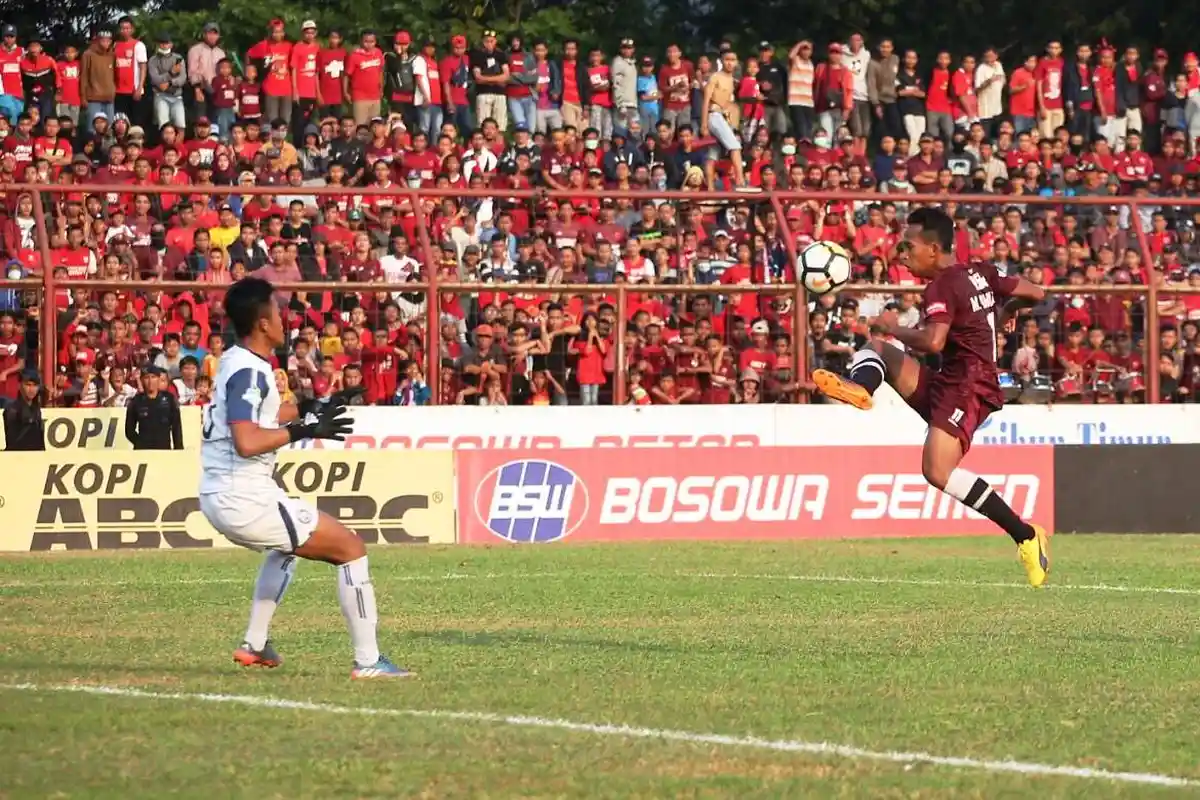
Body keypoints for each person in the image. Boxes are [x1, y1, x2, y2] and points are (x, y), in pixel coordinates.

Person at [811, 207, 1052, 587]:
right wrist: (1008, 309)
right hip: (950, 381)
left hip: (968, 388)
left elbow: (933, 341)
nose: (902, 254)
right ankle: (862, 388)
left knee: (936, 471)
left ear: (934, 249)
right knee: (878, 349)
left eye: (909, 246)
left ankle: (1026, 536)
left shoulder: (941, 286)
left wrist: (895, 327)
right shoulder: (980, 271)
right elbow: (1036, 292)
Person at [197, 277, 409, 679]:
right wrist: (304, 430)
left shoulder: (237, 361)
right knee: (351, 548)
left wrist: (316, 405)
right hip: (243, 496)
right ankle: (368, 662)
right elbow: (247, 440)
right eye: (278, 313)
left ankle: (255, 644)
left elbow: (262, 416)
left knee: (287, 549)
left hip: (224, 493)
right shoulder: (250, 371)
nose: (284, 321)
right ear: (263, 323)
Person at [124, 364, 184, 449]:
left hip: (164, 450)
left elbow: (176, 427)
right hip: (142, 451)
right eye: (146, 377)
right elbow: (129, 431)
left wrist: (179, 449)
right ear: (142, 380)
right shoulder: (136, 401)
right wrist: (140, 443)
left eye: (153, 377)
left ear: (159, 379)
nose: (150, 381)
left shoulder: (169, 399)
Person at [3, 369, 43, 450]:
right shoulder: (12, 410)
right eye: (28, 385)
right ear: (19, 385)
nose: (32, 389)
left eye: (35, 385)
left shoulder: (37, 409)